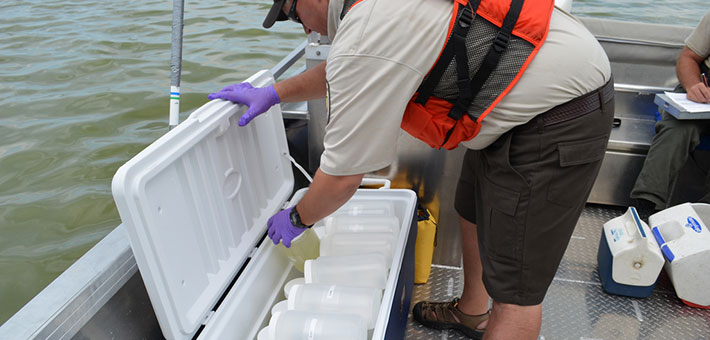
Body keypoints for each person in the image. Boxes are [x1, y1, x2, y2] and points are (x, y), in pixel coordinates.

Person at [208, 0, 613, 339]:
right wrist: (274, 93)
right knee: (470, 205)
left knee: (516, 293)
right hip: (519, 96)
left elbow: (342, 179)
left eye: (296, 17)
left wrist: (299, 217)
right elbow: (348, 69)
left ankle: (494, 313)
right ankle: (472, 312)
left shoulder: (366, 31)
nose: (306, 33)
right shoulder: (371, 13)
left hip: (559, 113)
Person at [631, 10, 710, 214]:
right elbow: (688, 57)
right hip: (704, 87)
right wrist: (693, 86)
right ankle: (643, 206)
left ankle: (703, 215)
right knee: (677, 129)